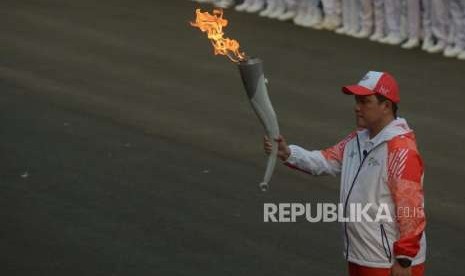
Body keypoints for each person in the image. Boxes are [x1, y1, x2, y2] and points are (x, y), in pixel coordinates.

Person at [264, 71, 427, 276]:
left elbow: (411, 207)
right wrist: (288, 153)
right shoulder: (356, 140)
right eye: (357, 100)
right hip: (361, 255)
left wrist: (404, 259)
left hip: (388, 262)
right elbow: (324, 160)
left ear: (386, 106)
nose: (357, 107)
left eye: (365, 101)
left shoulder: (401, 149)